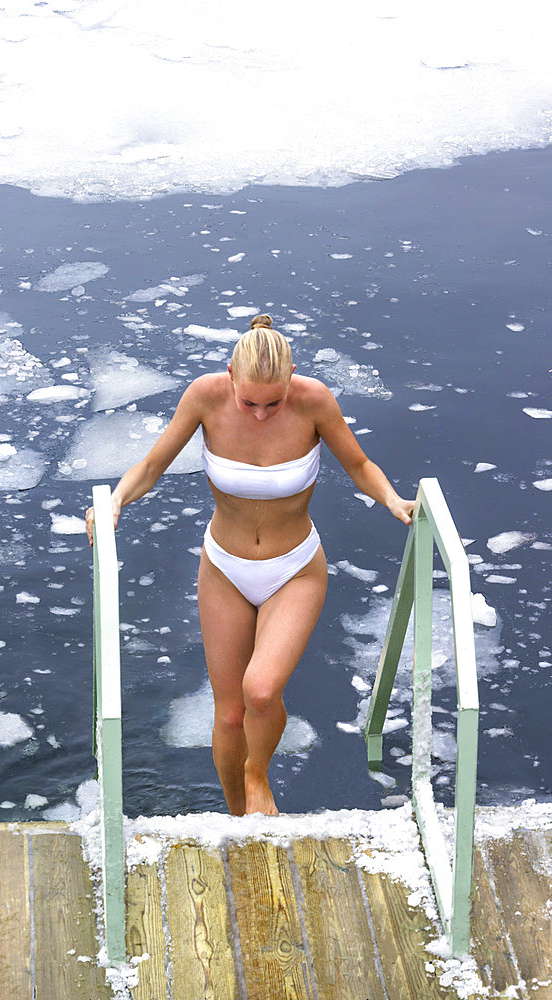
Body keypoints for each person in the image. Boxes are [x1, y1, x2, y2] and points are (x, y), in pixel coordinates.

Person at [86, 315, 414, 816]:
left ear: (292, 379)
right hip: (224, 568)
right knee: (230, 715)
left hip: (294, 569)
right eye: (249, 403)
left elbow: (359, 465)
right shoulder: (204, 396)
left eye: (274, 403)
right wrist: (115, 503)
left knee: (261, 691)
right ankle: (239, 814)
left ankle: (257, 775)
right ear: (229, 376)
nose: (261, 415)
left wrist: (394, 502)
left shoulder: (314, 400)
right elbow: (152, 466)